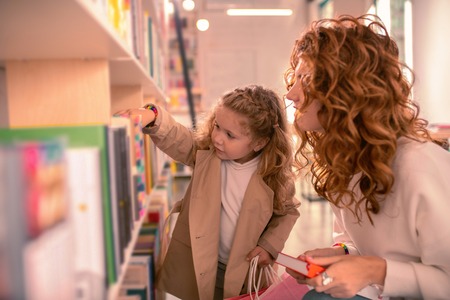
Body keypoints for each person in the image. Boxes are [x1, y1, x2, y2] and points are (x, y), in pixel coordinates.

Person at [282, 14, 450, 299]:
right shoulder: (345, 160)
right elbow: (357, 243)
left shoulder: (420, 167)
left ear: (349, 90)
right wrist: (340, 255)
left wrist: (376, 270)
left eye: (305, 79)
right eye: (295, 78)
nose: (290, 94)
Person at [117, 85, 300, 300]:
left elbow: (287, 212)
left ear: (259, 143)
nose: (218, 138)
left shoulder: (273, 175)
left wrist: (269, 246)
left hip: (246, 269)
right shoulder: (206, 154)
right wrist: (152, 115)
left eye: (230, 135)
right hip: (202, 260)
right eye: (217, 126)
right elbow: (178, 137)